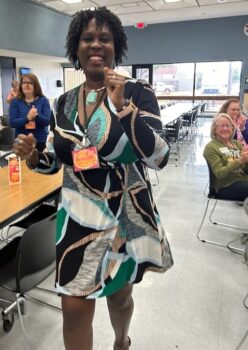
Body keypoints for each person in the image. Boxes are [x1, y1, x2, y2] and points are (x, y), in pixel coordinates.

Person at [13, 7, 173, 350]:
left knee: (119, 298)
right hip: (77, 215)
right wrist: (34, 157)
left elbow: (159, 156)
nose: (96, 44)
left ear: (117, 47)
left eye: (105, 38)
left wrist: (123, 111)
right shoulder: (64, 102)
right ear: (76, 47)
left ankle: (121, 342)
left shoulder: (136, 92)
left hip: (124, 215)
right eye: (88, 38)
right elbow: (58, 160)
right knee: (73, 308)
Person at [204, 113, 248, 201]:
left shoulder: (237, 144)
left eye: (228, 126)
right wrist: (239, 161)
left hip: (243, 180)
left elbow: (245, 171)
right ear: (215, 129)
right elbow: (220, 174)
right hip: (225, 185)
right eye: (221, 126)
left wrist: (246, 161)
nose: (225, 128)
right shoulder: (211, 147)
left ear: (232, 129)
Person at [9, 73, 51, 151]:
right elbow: (12, 123)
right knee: (21, 162)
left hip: (39, 141)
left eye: (29, 83)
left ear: (35, 85)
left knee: (38, 162)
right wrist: (27, 118)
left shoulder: (43, 100)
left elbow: (47, 121)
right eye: (24, 83)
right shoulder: (15, 102)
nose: (26, 85)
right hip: (21, 141)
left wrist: (36, 116)